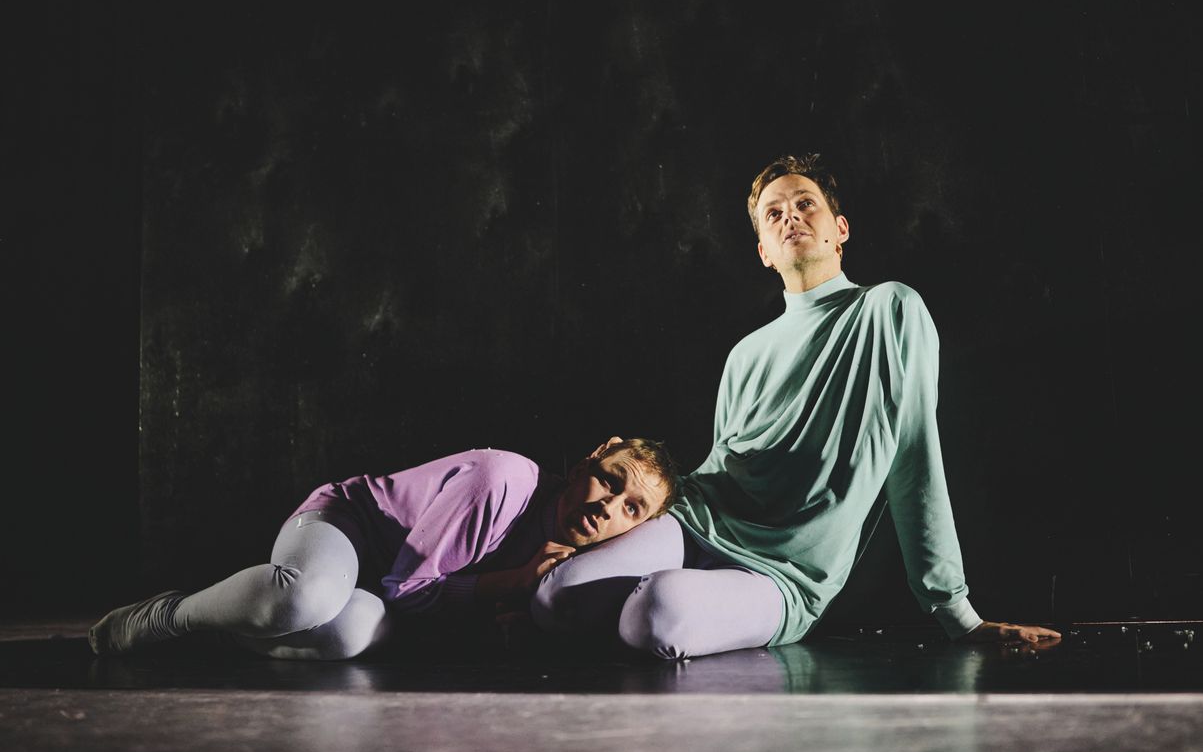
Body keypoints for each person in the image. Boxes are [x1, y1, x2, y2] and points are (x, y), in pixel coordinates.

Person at [532, 154, 1061, 659]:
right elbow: (719, 469)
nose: (791, 217)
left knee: (655, 612)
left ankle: (640, 608)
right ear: (764, 250)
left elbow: (916, 452)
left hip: (783, 574)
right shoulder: (746, 353)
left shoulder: (888, 308)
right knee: (554, 598)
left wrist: (955, 611)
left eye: (806, 204)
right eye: (774, 213)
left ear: (840, 229)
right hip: (696, 522)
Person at [89, 437, 677, 660]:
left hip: (384, 594)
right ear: (585, 463)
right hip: (348, 529)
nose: (610, 507)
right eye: (610, 480)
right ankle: (173, 615)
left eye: (632, 509)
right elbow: (407, 588)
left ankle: (224, 632)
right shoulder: (504, 480)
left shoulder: (576, 560)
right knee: (308, 597)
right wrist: (514, 584)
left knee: (348, 634)